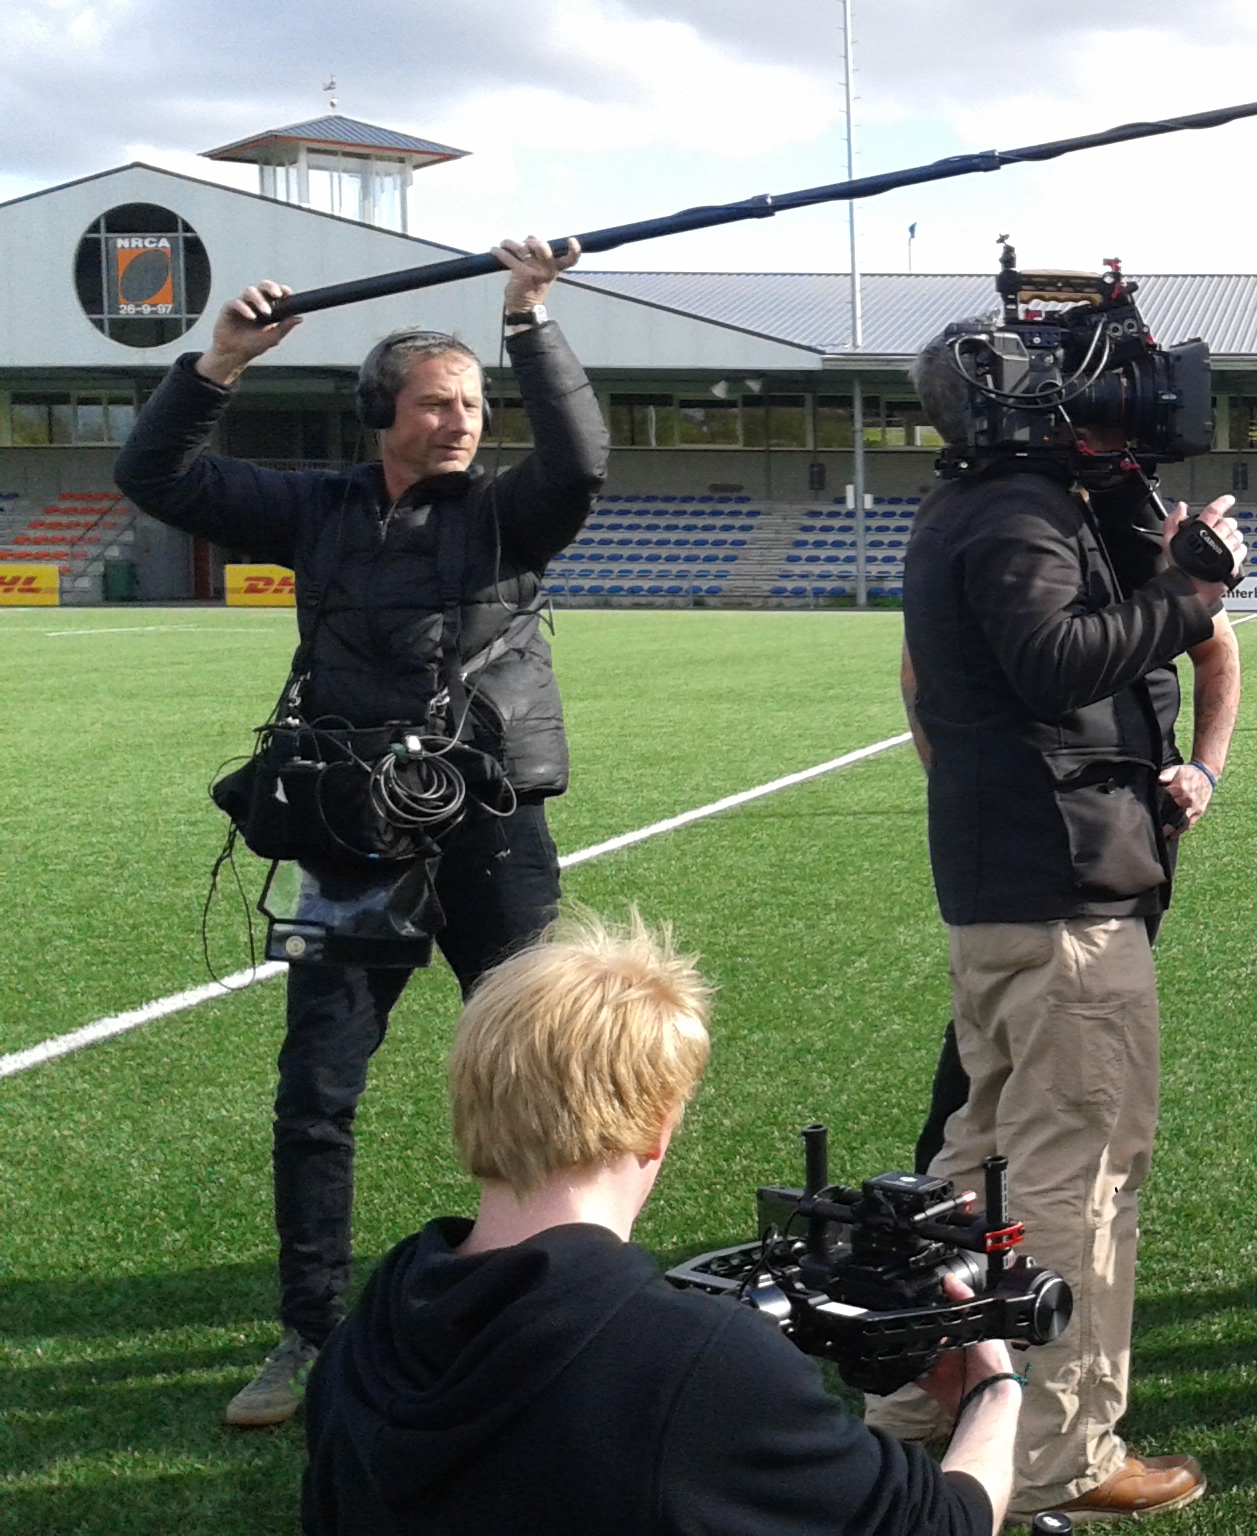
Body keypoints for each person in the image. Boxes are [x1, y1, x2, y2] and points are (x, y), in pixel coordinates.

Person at [112, 239, 605, 1428]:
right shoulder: (318, 508)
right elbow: (155, 473)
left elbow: (580, 460)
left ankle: (559, 1308)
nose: (460, 423)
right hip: (350, 834)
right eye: (435, 404)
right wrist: (221, 361)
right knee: (315, 1092)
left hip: (490, 829)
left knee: (539, 1077)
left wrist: (528, 317)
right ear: (381, 412)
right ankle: (309, 1330)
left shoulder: (506, 516)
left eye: (472, 404)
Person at [300, 907, 1025, 1536]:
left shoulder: (374, 1328)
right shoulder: (695, 1365)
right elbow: (945, 1522)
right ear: (655, 1126)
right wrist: (990, 1391)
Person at [867, 318, 1245, 1522]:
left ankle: (923, 1402)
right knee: (1077, 1177)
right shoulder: (1020, 513)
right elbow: (1053, 660)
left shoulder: (973, 504)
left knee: (974, 1165)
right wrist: (1188, 595)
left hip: (1005, 894)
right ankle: (1060, 1455)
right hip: (1064, 903)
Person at [906, 472, 1242, 1176]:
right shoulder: (1018, 530)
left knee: (1050, 1061)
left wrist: (1204, 770)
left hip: (1128, 839)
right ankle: (958, 1200)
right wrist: (966, 781)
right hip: (1041, 852)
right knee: (1025, 1087)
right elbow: (919, 675)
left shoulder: (1131, 536)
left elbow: (1218, 651)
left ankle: (967, 1198)